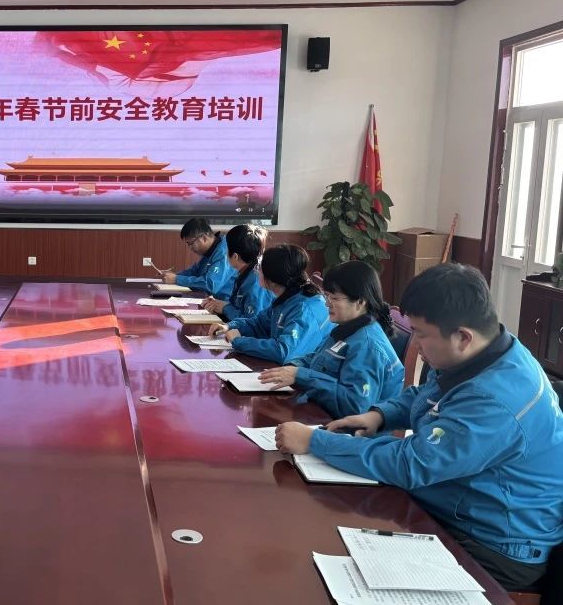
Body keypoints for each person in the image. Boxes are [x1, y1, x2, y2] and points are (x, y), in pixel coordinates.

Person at [275, 264, 563, 591]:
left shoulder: (496, 398)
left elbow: (412, 463)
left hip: (494, 543)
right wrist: (380, 416)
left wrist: (315, 441)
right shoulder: (486, 352)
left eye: (422, 334)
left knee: (349, 571)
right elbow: (426, 395)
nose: (417, 345)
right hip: (460, 503)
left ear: (463, 337)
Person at [259, 259, 403, 417]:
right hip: (321, 411)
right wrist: (291, 367)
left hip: (347, 428)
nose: (327, 304)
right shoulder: (348, 327)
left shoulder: (368, 346)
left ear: (360, 302)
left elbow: (354, 407)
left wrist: (300, 375)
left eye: (334, 298)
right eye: (327, 296)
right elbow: (318, 357)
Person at [213, 244, 330, 363]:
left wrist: (239, 341)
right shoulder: (286, 296)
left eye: (260, 267)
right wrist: (229, 326)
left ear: (273, 278)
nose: (256, 271)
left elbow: (283, 351)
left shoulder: (304, 309)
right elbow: (259, 323)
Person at [201, 224, 273, 320]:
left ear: (235, 256)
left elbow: (253, 322)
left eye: (227, 250)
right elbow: (239, 308)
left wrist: (225, 308)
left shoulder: (256, 280)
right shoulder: (246, 272)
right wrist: (218, 304)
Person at [160, 217, 235, 297]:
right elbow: (195, 272)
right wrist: (173, 275)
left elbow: (210, 284)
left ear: (204, 238)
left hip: (224, 302)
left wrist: (176, 279)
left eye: (191, 243)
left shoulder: (224, 252)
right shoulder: (210, 250)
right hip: (209, 299)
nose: (190, 248)